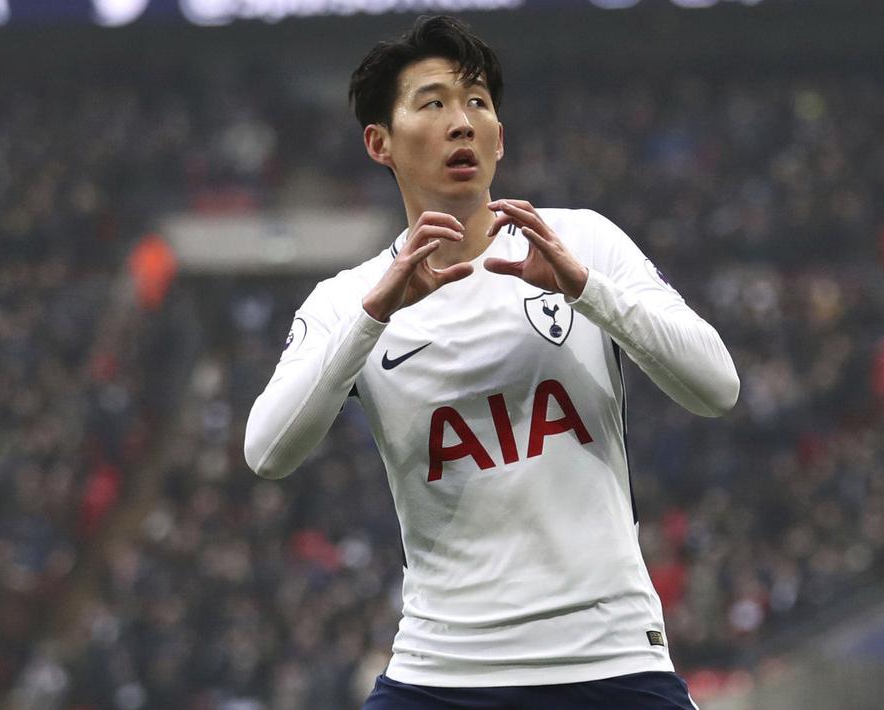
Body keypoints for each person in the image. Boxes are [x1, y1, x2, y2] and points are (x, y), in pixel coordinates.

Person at [244, 15, 739, 709]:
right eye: (434, 102)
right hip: (443, 674)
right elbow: (267, 452)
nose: (461, 122)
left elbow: (717, 388)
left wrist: (587, 291)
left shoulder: (582, 241)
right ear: (379, 143)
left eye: (477, 103)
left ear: (499, 138)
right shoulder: (348, 300)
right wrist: (372, 317)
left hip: (609, 660)